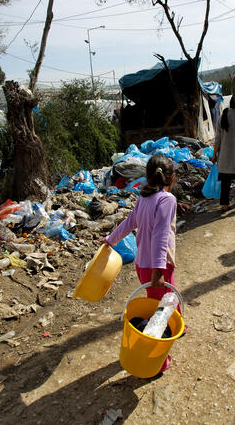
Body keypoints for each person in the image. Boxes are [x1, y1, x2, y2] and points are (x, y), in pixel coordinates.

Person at [103, 155, 178, 372]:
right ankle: (159, 362)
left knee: (166, 299)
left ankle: (178, 325)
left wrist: (111, 240)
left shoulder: (144, 198)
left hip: (142, 263)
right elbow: (161, 236)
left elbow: (129, 222)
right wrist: (159, 270)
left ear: (147, 177)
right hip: (158, 265)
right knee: (160, 311)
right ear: (171, 179)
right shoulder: (167, 200)